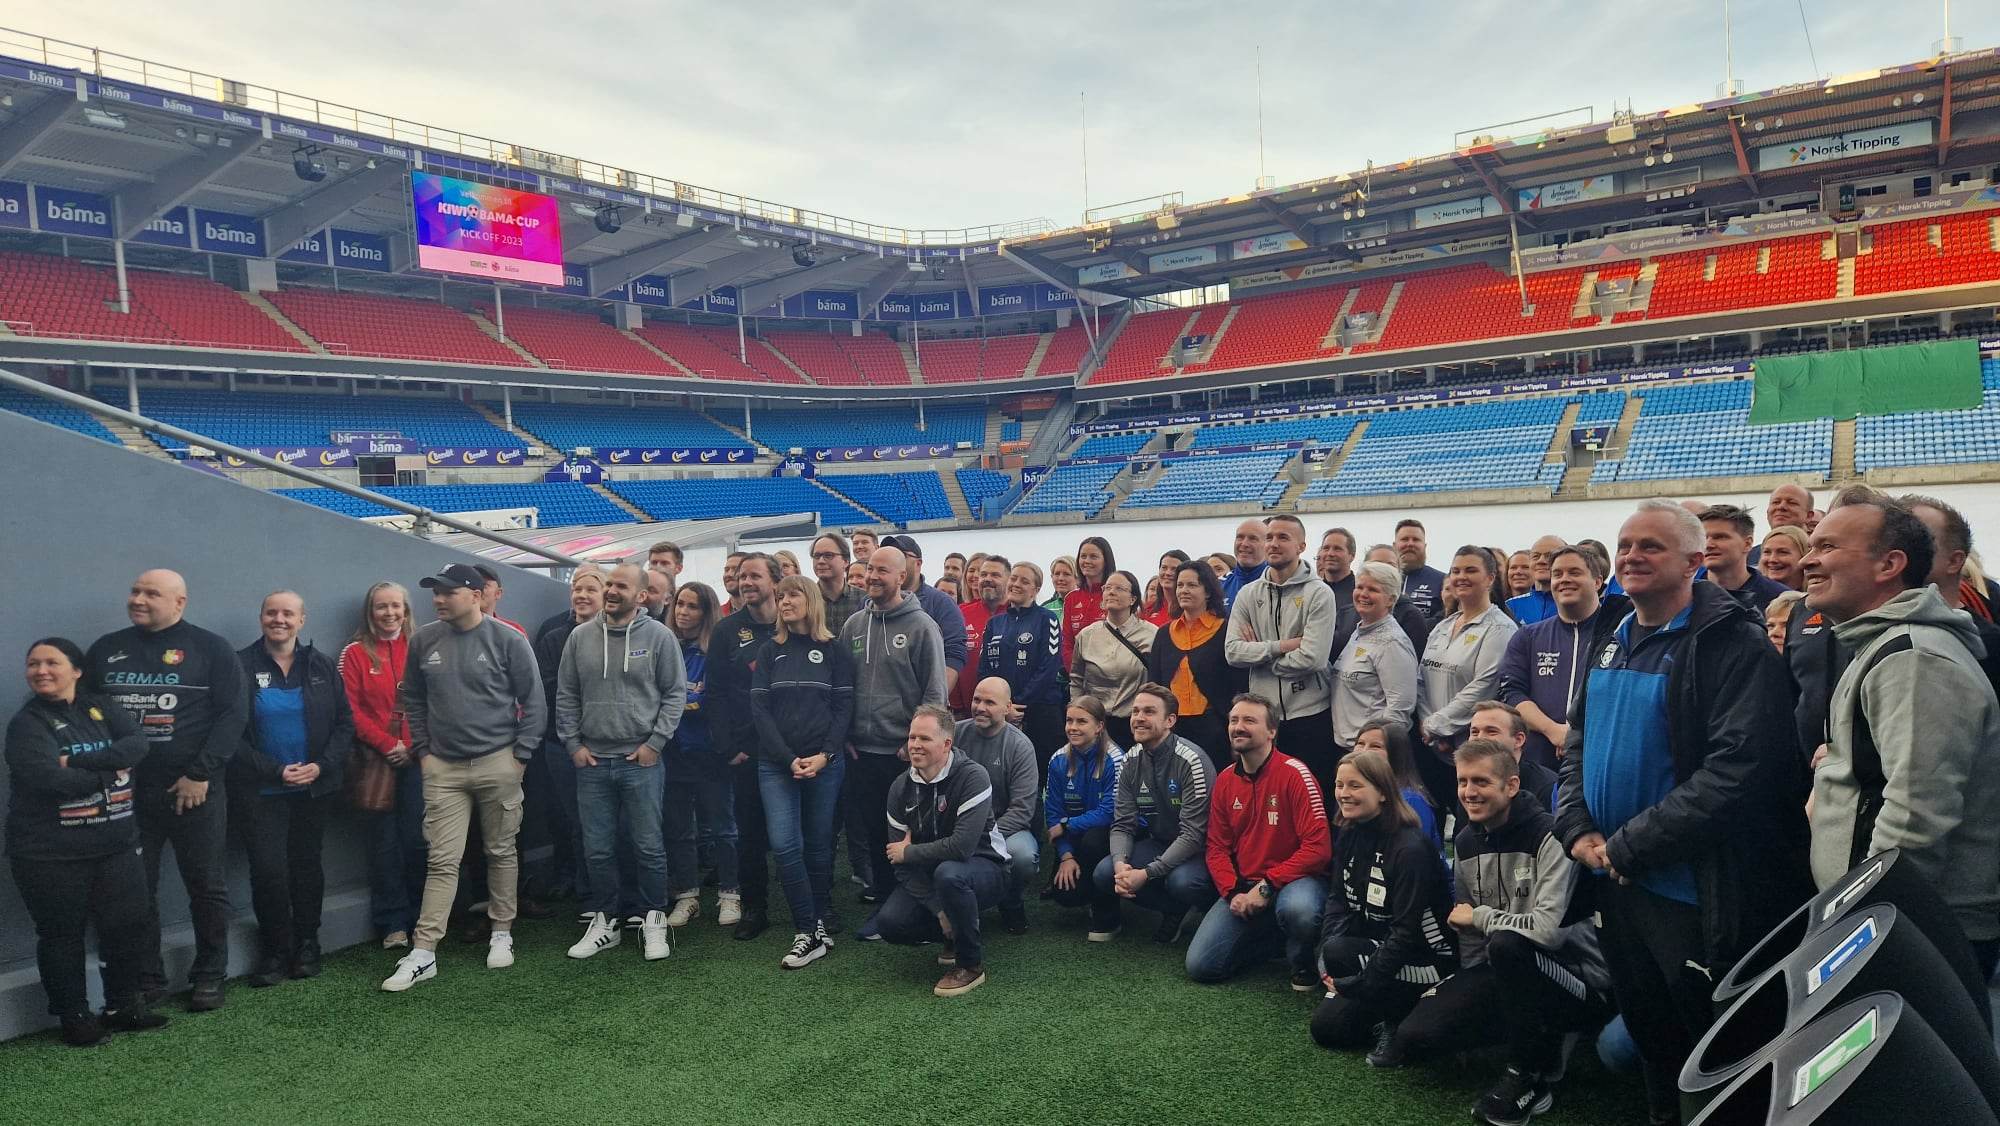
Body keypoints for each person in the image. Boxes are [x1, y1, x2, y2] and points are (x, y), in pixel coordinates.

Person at [1554, 500, 1811, 1122]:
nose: (1632, 556)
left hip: (1688, 890)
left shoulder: (1733, 644)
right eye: (1626, 545)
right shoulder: (1614, 638)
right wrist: (1577, 827)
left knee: (1710, 1043)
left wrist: (1629, 845)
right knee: (1651, 1035)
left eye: (1651, 546)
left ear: (1696, 562)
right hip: (1615, 880)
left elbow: (1737, 771)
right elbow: (1576, 744)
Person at [1802, 494, 2000, 971]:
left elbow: (1917, 815)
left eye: (1827, 547)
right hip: (1890, 917)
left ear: (1890, 564)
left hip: (1910, 927)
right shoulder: (1885, 644)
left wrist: (1867, 925)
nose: (1808, 560)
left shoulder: (1913, 658)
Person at [1383, 739, 1614, 1123]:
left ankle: (1528, 1072)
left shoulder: (1552, 837)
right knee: (1417, 1037)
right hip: (1507, 969)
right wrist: (1468, 998)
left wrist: (1481, 917)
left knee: (1509, 945)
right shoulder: (1466, 840)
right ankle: (1526, 1037)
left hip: (1576, 981)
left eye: (1481, 782)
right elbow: (1471, 940)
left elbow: (1546, 932)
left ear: (1511, 785)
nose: (1470, 792)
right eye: (1463, 782)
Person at [86, 569, 246, 1012]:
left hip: (195, 791)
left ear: (179, 602)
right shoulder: (106, 650)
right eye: (134, 590)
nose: (137, 599)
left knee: (207, 888)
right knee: (136, 891)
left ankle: (210, 974)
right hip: (128, 795)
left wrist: (201, 774)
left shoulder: (210, 649)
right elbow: (86, 715)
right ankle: (147, 978)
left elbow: (233, 716)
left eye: (150, 593)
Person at [382, 563, 546, 992]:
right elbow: (412, 698)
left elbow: (534, 701)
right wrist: (423, 752)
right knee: (441, 858)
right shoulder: (423, 640)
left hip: (498, 762)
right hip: (444, 769)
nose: (438, 599)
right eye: (435, 591)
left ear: (476, 594)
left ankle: (502, 932)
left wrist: (520, 757)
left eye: (448, 592)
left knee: (500, 850)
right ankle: (423, 952)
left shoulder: (508, 639)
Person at [8, 637, 168, 1046]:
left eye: (52, 662)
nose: (41, 671)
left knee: (127, 926)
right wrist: (110, 772)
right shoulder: (28, 723)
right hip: (50, 855)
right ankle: (74, 1017)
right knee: (62, 935)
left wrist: (78, 761)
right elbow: (47, 779)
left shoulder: (101, 706)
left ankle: (122, 1006)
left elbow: (137, 744)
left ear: (76, 670)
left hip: (115, 846)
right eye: (33, 664)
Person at [556, 564, 685, 962]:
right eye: (608, 584)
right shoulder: (580, 637)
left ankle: (653, 918)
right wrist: (573, 744)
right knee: (597, 849)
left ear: (641, 595)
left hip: (641, 761)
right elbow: (566, 694)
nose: (611, 591)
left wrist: (655, 743)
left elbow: (674, 693)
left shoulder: (660, 637)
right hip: (592, 761)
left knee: (648, 846)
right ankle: (607, 920)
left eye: (620, 586)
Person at [233, 591, 352, 987]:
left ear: (302, 620)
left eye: (288, 614)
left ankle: (306, 944)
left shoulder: (319, 665)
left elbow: (343, 725)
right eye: (271, 612)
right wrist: (275, 771)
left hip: (313, 790)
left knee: (306, 869)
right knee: (268, 873)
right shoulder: (240, 666)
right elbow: (229, 735)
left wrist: (321, 766)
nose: (279, 619)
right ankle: (274, 949)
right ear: (261, 617)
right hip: (261, 792)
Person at [1310, 750, 1457, 1060]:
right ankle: (1387, 1007)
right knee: (1326, 1028)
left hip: (1429, 961)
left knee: (1342, 954)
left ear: (1382, 793)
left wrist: (1358, 980)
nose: (1344, 794)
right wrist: (1324, 956)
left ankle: (1397, 1017)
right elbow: (1338, 901)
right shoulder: (1350, 833)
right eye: (1339, 785)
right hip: (1379, 950)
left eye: (1355, 786)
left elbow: (1406, 933)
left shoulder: (1410, 849)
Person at [1186, 694, 1331, 987]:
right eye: (1234, 720)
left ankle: (1302, 961)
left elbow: (1319, 849)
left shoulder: (1295, 774)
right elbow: (1216, 847)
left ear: (1272, 732)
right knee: (1202, 967)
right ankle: (1273, 938)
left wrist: (1267, 886)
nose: (1239, 727)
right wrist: (1233, 893)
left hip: (1296, 881)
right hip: (1246, 883)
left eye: (1249, 720)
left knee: (1299, 911)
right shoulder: (1226, 779)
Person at [750, 575, 856, 969]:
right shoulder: (768, 651)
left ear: (810, 600)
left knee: (818, 842)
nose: (784, 601)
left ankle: (818, 918)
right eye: (780, 596)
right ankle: (808, 928)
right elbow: (759, 710)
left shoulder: (834, 650)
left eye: (793, 594)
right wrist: (786, 758)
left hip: (825, 764)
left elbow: (843, 710)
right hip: (776, 766)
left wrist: (825, 756)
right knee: (784, 844)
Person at [843, 546, 950, 922]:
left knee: (908, 834)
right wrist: (845, 735)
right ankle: (885, 901)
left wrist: (915, 743)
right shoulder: (854, 626)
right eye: (869, 569)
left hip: (903, 754)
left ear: (901, 577)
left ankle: (918, 905)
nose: (872, 576)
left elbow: (935, 694)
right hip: (862, 751)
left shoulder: (922, 627)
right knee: (874, 830)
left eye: (882, 571)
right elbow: (843, 688)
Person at [877, 706, 1010, 998]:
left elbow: (961, 847)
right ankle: (953, 927)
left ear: (946, 744)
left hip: (986, 867)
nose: (915, 745)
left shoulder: (973, 776)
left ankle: (970, 965)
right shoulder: (900, 788)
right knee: (889, 923)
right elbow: (897, 863)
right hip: (933, 875)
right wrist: (939, 909)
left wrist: (910, 852)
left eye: (924, 738)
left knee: (949, 874)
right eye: (912, 737)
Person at [340, 581, 425, 950]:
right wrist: (389, 744)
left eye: (396, 606)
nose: (390, 613)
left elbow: (437, 701)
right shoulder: (355, 653)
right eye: (381, 607)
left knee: (420, 841)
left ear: (406, 611)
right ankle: (393, 921)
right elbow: (349, 710)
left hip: (421, 759)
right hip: (376, 763)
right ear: (369, 612)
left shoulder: (422, 647)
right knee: (384, 846)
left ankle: (425, 918)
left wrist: (415, 745)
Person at [1225, 515, 1338, 788]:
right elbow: (1232, 652)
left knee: (1311, 795)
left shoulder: (1319, 593)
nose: (1273, 543)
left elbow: (1313, 657)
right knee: (1266, 795)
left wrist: (1260, 656)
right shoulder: (1249, 594)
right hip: (1263, 719)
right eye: (1270, 537)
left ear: (1301, 546)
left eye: (1283, 538)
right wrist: (1281, 647)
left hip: (1309, 715)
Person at [1099, 684, 1216, 943]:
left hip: (1201, 850)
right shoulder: (1131, 760)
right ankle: (1173, 910)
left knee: (1182, 882)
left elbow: (1194, 835)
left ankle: (1205, 910)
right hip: (1161, 842)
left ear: (1170, 720)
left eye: (1149, 712)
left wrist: (1146, 873)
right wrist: (1121, 865)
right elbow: (1122, 824)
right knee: (1106, 873)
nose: (1139, 718)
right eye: (1136, 711)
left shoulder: (1191, 759)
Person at [707, 553, 781, 940]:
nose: (745, 581)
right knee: (750, 833)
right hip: (747, 751)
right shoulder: (726, 631)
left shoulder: (794, 622)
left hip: (791, 750)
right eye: (740, 576)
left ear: (775, 580)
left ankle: (813, 906)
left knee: (796, 834)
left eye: (754, 575)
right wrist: (728, 745)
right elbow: (715, 693)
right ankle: (755, 907)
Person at [1498, 546, 1623, 772]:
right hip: (1538, 763)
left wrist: (1576, 735)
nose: (1564, 580)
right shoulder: (1528, 636)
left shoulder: (1620, 634)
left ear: (1597, 581)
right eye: (1558, 574)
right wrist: (1553, 731)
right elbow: (1512, 692)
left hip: (1597, 760)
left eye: (1574, 572)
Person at [1416, 547, 1518, 811]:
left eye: (1471, 570)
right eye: (1456, 571)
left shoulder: (1500, 629)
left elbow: (1484, 686)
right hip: (1432, 747)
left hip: (1471, 751)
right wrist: (1429, 726)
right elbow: (1421, 680)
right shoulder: (1442, 626)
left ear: (1491, 578)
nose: (1461, 576)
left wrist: (1438, 725)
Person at [662, 582, 738, 928]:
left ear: (706, 613)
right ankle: (687, 896)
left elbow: (709, 701)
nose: (683, 612)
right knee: (680, 830)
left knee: (723, 829)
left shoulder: (715, 651)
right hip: (671, 752)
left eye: (693, 606)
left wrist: (679, 705)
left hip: (709, 753)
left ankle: (730, 894)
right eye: (680, 604)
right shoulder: (663, 646)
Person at [531, 569, 603, 908]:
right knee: (572, 819)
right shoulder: (553, 637)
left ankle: (610, 891)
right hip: (562, 745)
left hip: (607, 745)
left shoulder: (620, 636)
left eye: (591, 588)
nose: (582, 595)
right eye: (577, 588)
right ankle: (586, 891)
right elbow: (550, 690)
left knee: (603, 822)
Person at [955, 678, 1041, 935]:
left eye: (989, 702)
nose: (980, 707)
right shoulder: (954, 733)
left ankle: (1011, 902)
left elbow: (1023, 811)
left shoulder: (1020, 746)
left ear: (1008, 708)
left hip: (1004, 830)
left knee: (1024, 856)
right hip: (957, 827)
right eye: (976, 699)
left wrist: (981, 838)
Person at [1146, 560, 1240, 770]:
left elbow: (1238, 685)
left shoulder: (1225, 630)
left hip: (1214, 729)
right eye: (1180, 585)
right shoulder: (1164, 633)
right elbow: (1155, 684)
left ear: (1207, 591)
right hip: (1174, 729)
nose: (1184, 590)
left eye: (1192, 585)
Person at [1043, 697, 1125, 940]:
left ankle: (1108, 909)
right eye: (1069, 720)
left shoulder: (1116, 758)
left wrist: (1068, 825)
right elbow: (1052, 813)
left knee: (1093, 840)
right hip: (1074, 838)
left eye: (1082, 721)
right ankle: (1088, 891)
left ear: (1099, 726)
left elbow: (1111, 812)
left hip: (1110, 835)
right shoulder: (1058, 759)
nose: (1073, 727)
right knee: (1065, 894)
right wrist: (1066, 856)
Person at [980, 561, 1066, 773]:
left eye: (1025, 581)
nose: (1016, 584)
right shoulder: (995, 623)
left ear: (1036, 590)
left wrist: (1018, 704)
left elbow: (1049, 666)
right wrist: (1003, 707)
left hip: (1041, 712)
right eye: (1014, 578)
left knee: (1042, 774)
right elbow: (984, 670)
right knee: (1004, 773)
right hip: (1002, 714)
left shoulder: (1047, 619)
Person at [1331, 561, 1420, 761]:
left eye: (1373, 589)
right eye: (1360, 587)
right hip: (1347, 748)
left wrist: (1373, 751)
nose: (1363, 594)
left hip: (1368, 755)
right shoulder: (1360, 631)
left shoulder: (1392, 642)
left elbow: (1400, 709)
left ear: (1390, 599)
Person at [1069, 570, 1156, 750]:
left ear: (1133, 599)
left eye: (1119, 588)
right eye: (1107, 587)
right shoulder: (1087, 635)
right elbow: (1076, 678)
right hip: (1096, 722)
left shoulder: (1151, 634)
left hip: (1134, 722)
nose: (1111, 592)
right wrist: (1078, 711)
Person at [884, 535, 967, 676]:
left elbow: (954, 655)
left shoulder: (941, 603)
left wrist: (936, 696)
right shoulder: (870, 603)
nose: (893, 561)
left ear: (918, 563)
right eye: (889, 554)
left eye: (901, 555)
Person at [1353, 719, 1440, 847]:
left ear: (1396, 753)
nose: (1364, 751)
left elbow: (1418, 853)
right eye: (1360, 743)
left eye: (1375, 746)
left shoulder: (1411, 800)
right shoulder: (1352, 792)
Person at [1466, 701, 1557, 809]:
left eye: (1491, 731)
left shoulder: (1547, 787)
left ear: (1518, 740)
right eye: (1475, 732)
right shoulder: (1468, 783)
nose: (1480, 738)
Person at [1700, 504, 1789, 614]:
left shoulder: (1780, 598)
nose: (1708, 545)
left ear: (1747, 544)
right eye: (1703, 538)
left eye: (1720, 537)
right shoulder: (1684, 597)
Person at [952, 555, 1010, 717]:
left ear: (1009, 580)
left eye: (995, 575)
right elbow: (949, 656)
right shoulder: (961, 612)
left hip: (1008, 713)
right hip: (965, 711)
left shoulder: (1018, 614)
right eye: (983, 575)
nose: (987, 579)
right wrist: (956, 705)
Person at [1365, 544, 1435, 651]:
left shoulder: (1411, 616)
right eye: (1376, 564)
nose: (1383, 571)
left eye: (1390, 566)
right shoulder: (1348, 613)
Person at [1061, 537, 1115, 664]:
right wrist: (1074, 672)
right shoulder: (1071, 598)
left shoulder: (1114, 595)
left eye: (1093, 557)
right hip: (1077, 676)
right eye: (1083, 556)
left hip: (1110, 674)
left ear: (1106, 561)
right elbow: (1067, 643)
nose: (1087, 561)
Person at [1316, 527, 1361, 662]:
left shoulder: (1360, 593)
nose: (1330, 553)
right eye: (1326, 548)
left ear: (1352, 555)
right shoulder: (1311, 591)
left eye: (1337, 549)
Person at [810, 532, 866, 634]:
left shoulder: (864, 600)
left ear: (846, 561)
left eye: (828, 555)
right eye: (817, 556)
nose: (821, 561)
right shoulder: (806, 601)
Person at [1750, 484, 1816, 568]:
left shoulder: (1818, 555)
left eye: (1792, 503)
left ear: (1809, 515)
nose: (1781, 507)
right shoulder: (1749, 557)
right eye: (1776, 502)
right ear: (1767, 512)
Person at [1506, 535, 1567, 626]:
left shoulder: (1578, 604)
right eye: (1536, 556)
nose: (1541, 561)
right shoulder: (1511, 606)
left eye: (1549, 556)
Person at [1394, 519, 1446, 619]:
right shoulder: (1381, 580)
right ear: (1394, 545)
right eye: (1405, 539)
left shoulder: (1442, 581)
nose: (1410, 544)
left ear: (1425, 546)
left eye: (1416, 539)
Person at [1220, 518, 1270, 614]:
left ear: (1267, 544)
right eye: (1240, 537)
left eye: (1253, 538)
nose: (1244, 544)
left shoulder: (1281, 584)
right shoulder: (1219, 585)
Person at [472, 564, 527, 636]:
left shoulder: (514, 631)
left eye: (484, 585)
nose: (478, 590)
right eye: (473, 584)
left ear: (498, 593)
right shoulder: (454, 628)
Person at [1145, 550, 1190, 626]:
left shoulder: (1191, 609)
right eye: (1164, 568)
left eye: (1174, 569)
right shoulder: (1147, 610)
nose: (1168, 573)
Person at [1758, 526, 1809, 591]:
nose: (1772, 559)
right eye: (1767, 552)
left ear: (1804, 556)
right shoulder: (1748, 598)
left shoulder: (1818, 598)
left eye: (1782, 552)